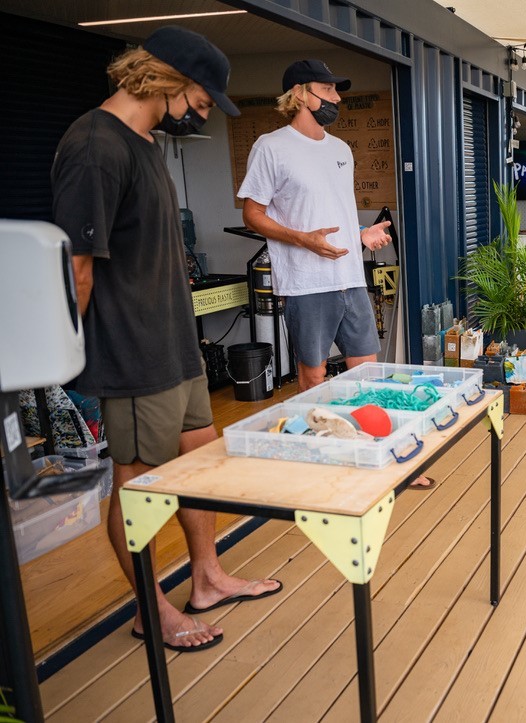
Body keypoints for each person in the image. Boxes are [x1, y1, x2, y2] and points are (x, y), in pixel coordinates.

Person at [51, 26, 281, 652]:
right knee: (139, 484)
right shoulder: (95, 145)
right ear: (169, 79)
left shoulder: (144, 142)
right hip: (131, 352)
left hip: (174, 344)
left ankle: (206, 577)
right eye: (202, 101)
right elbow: (78, 265)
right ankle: (150, 610)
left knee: (201, 463)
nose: (201, 114)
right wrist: (73, 357)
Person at [238, 59, 393, 392]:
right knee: (314, 377)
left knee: (368, 375)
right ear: (300, 93)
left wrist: (362, 237)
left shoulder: (341, 149)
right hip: (306, 285)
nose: (336, 97)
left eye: (335, 89)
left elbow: (332, 212)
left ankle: (363, 442)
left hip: (350, 280)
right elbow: (252, 214)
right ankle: (316, 440)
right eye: (327, 89)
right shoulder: (270, 147)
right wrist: (303, 239)